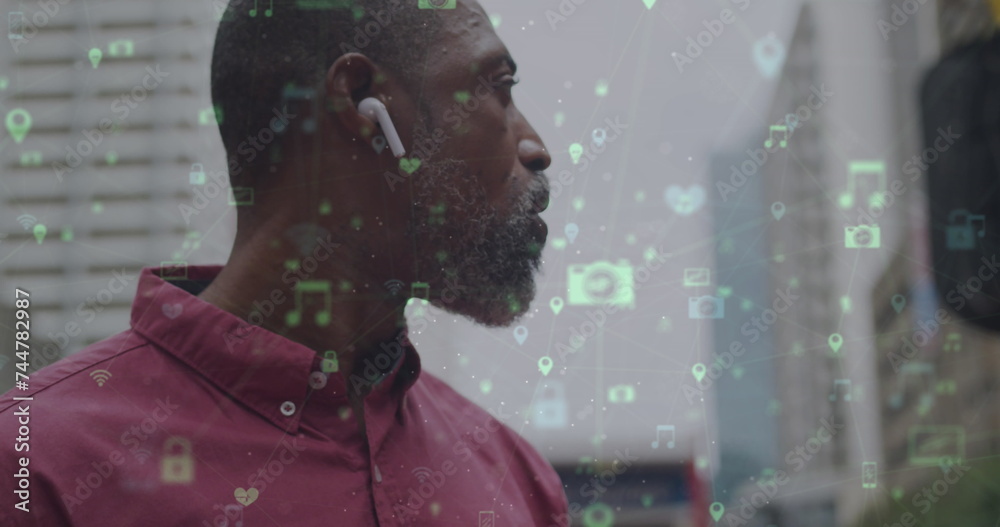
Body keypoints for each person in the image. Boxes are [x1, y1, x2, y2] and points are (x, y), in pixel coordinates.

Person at [0, 0, 568, 525]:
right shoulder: (35, 465)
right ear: (361, 101)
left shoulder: (516, 479)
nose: (535, 146)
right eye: (498, 89)